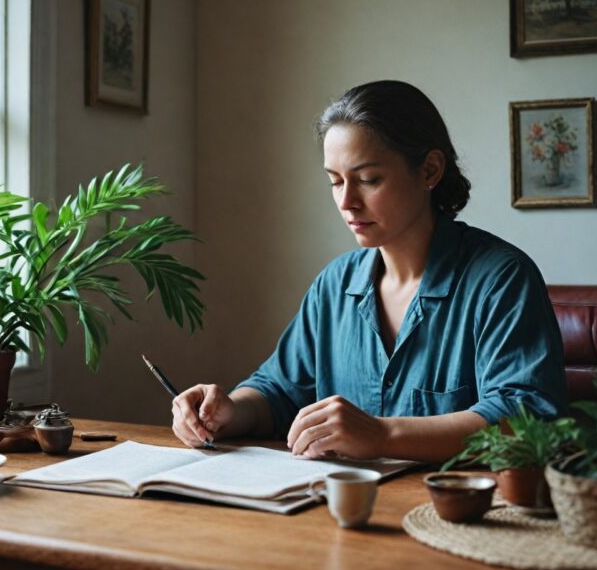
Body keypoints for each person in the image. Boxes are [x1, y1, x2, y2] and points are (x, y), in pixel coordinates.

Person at [172, 81, 567, 462]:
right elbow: (278, 390)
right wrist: (227, 411)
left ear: (429, 171)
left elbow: (526, 416)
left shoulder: (501, 280)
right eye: (335, 181)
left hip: (454, 518)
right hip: (336, 513)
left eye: (367, 180)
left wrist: (381, 436)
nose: (347, 202)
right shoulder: (335, 285)